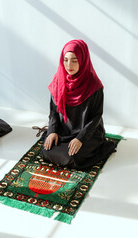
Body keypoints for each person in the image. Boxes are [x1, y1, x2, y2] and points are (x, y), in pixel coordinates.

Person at [42, 39, 116, 169]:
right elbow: (53, 112)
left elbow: (96, 117)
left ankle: (98, 146)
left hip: (88, 133)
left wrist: (80, 138)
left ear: (83, 60)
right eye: (65, 60)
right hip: (64, 131)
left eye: (74, 60)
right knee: (46, 151)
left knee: (72, 158)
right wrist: (52, 131)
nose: (69, 65)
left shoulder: (94, 85)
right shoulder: (58, 81)